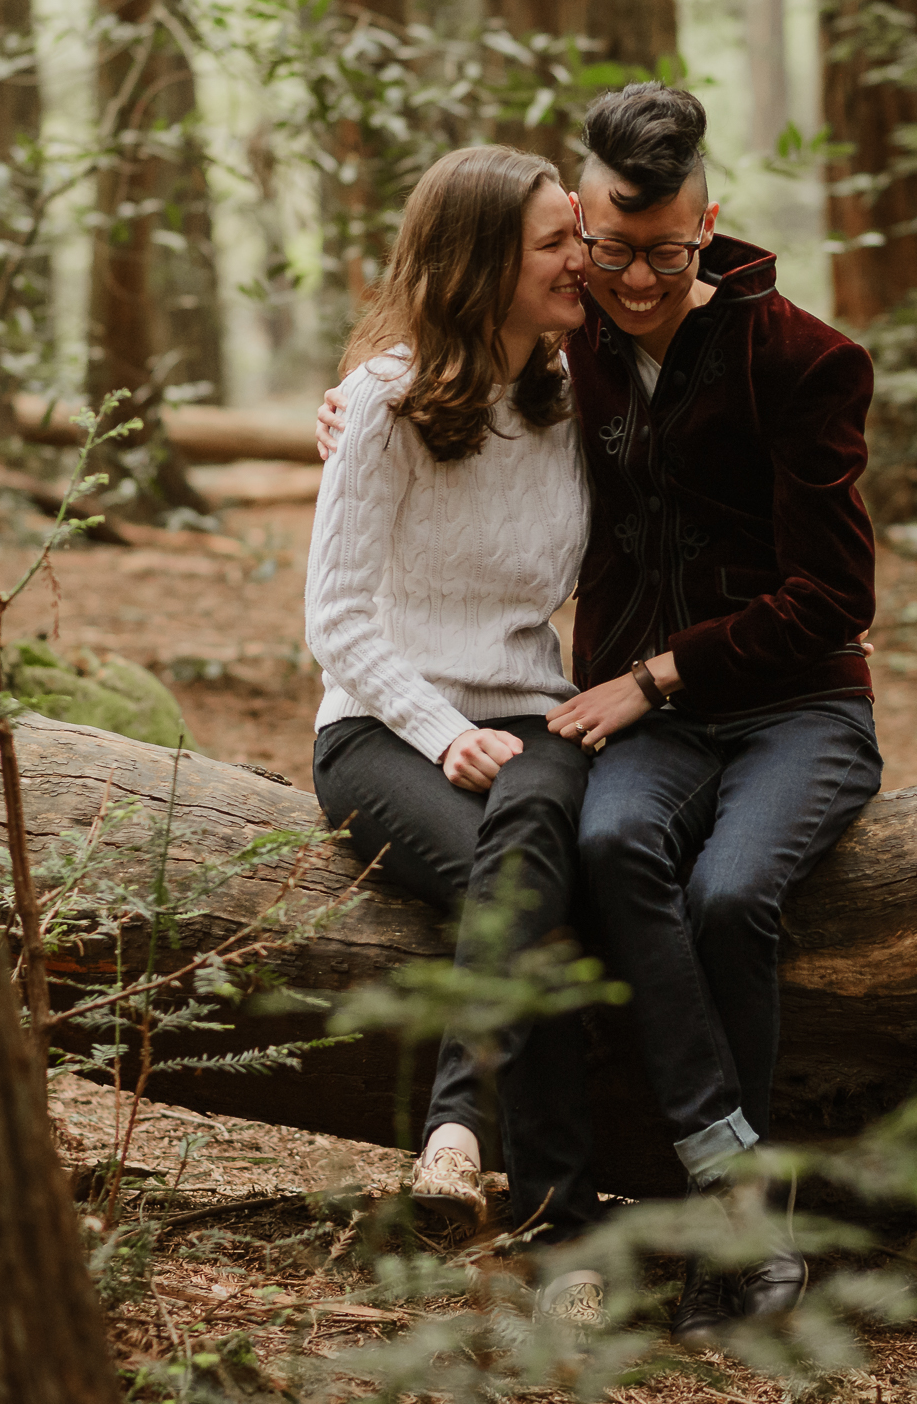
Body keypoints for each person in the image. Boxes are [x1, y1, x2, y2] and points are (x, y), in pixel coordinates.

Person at [320, 83, 881, 1345]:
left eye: (661, 254)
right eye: (597, 247)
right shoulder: (559, 362)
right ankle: (556, 1210)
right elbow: (434, 367)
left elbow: (835, 594)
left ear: (709, 225)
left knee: (726, 896)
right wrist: (356, 405)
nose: (624, 279)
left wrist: (657, 675)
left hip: (743, 707)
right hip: (576, 726)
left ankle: (730, 1207)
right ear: (570, 227)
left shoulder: (786, 359)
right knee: (595, 855)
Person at [302, 143, 607, 1318]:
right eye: (554, 243)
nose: (581, 261)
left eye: (578, 235)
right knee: (531, 877)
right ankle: (571, 1244)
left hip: (537, 720)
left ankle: (457, 1126)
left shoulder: (577, 397)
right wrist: (440, 733)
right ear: (484, 264)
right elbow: (336, 623)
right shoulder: (383, 404)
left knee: (531, 823)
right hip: (381, 726)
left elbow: (692, 292)